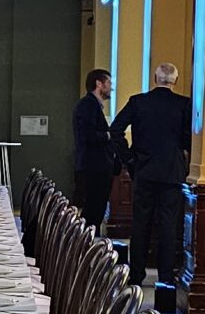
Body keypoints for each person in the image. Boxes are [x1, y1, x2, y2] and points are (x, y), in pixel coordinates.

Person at [111, 60, 193, 288]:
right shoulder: (183, 104)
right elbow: (189, 137)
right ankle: (165, 276)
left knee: (141, 223)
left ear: (156, 79)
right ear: (174, 81)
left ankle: (137, 273)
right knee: (168, 224)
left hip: (143, 169)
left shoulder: (138, 102)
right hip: (172, 171)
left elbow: (116, 129)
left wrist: (128, 158)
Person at [72, 67, 114, 230]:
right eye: (109, 83)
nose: (111, 87)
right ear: (99, 84)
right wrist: (109, 135)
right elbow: (88, 135)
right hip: (94, 167)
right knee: (92, 211)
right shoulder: (88, 105)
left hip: (95, 166)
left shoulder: (91, 105)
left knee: (95, 209)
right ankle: (87, 246)